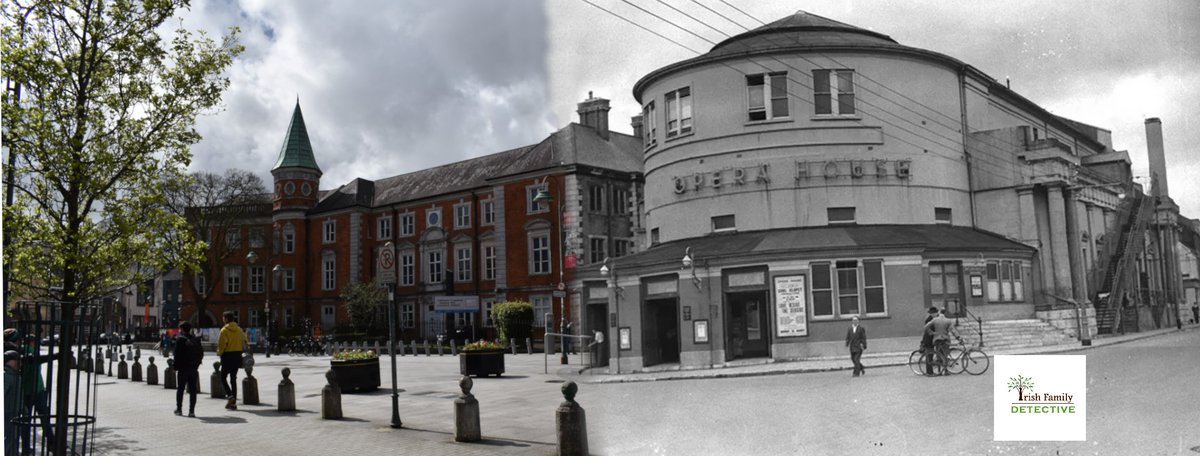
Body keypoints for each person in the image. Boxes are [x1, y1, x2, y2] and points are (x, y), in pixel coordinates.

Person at [216, 311, 247, 410]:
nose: (222, 319)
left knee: (223, 377)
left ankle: (230, 396)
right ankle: (233, 403)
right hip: (237, 356)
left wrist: (219, 353)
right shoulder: (239, 330)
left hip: (227, 356)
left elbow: (222, 345)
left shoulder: (224, 330)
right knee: (233, 378)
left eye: (223, 318)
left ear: (226, 319)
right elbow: (245, 341)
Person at [173, 321, 203, 417]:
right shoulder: (196, 340)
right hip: (193, 368)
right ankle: (191, 411)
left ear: (181, 329)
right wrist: (196, 365)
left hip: (183, 368)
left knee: (180, 389)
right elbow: (201, 354)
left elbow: (177, 355)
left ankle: (179, 409)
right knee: (193, 390)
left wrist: (175, 367)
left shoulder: (180, 340)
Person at [923, 308, 960, 376]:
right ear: (945, 314)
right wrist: (958, 337)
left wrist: (931, 332)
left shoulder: (935, 320)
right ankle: (945, 371)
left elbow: (926, 327)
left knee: (938, 354)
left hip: (937, 340)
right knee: (945, 354)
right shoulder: (948, 321)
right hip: (945, 339)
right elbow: (953, 330)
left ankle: (939, 370)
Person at [5, 350, 21, 455]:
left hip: (13, 412)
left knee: (12, 439)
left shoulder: (14, 375)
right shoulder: (6, 376)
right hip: (8, 413)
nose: (20, 364)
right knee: (8, 439)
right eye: (17, 361)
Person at [921, 307, 938, 375]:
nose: (935, 314)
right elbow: (927, 330)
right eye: (934, 313)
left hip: (931, 339)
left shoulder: (933, 319)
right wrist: (933, 333)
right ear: (931, 313)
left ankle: (930, 371)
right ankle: (929, 372)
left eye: (935, 313)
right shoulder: (929, 320)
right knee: (929, 356)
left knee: (931, 355)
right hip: (928, 340)